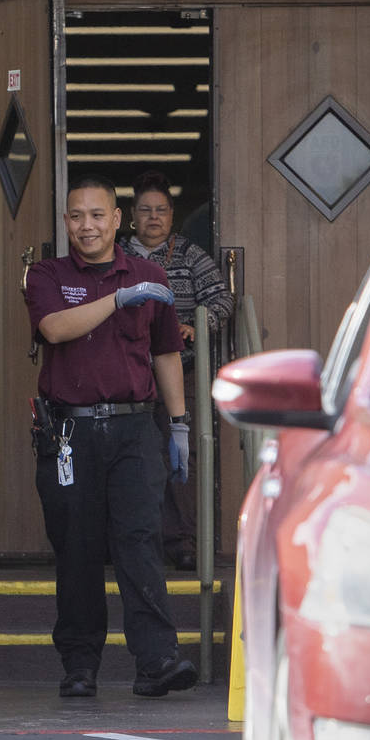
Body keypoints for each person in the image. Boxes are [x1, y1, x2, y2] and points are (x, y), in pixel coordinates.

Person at [24, 175, 197, 699]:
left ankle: (157, 661)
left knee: (139, 541)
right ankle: (80, 665)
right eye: (76, 216)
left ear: (117, 220)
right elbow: (54, 329)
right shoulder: (47, 275)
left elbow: (166, 352)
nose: (86, 226)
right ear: (66, 222)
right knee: (76, 549)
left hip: (133, 427)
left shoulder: (149, 274)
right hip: (69, 430)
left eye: (97, 216)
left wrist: (180, 423)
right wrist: (120, 299)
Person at [119, 170, 234, 571]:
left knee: (183, 456)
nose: (154, 218)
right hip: (124, 377)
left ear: (172, 215)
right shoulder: (116, 255)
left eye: (162, 211)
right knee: (131, 458)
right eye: (146, 210)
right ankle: (134, 543)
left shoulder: (189, 255)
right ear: (131, 216)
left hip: (181, 372)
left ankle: (183, 542)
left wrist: (196, 325)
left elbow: (222, 300)